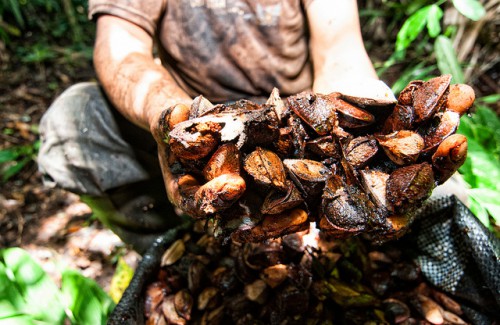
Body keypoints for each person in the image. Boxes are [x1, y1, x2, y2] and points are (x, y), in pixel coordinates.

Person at [36, 0, 428, 252]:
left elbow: (340, 51)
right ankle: (174, 246)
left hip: (295, 136)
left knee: (427, 190)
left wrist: (361, 121)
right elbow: (122, 49)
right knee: (75, 120)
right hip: (195, 124)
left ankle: (320, 233)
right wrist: (169, 117)